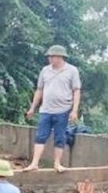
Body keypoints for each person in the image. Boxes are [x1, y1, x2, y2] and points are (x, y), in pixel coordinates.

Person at [23, 44, 82, 173]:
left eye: (52, 56)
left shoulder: (72, 71)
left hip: (63, 109)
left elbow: (76, 91)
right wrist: (32, 108)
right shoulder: (45, 70)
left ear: (60, 57)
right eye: (49, 57)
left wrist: (74, 111)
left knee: (60, 137)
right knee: (40, 136)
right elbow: (39, 90)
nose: (50, 59)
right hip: (46, 109)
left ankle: (57, 163)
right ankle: (34, 163)